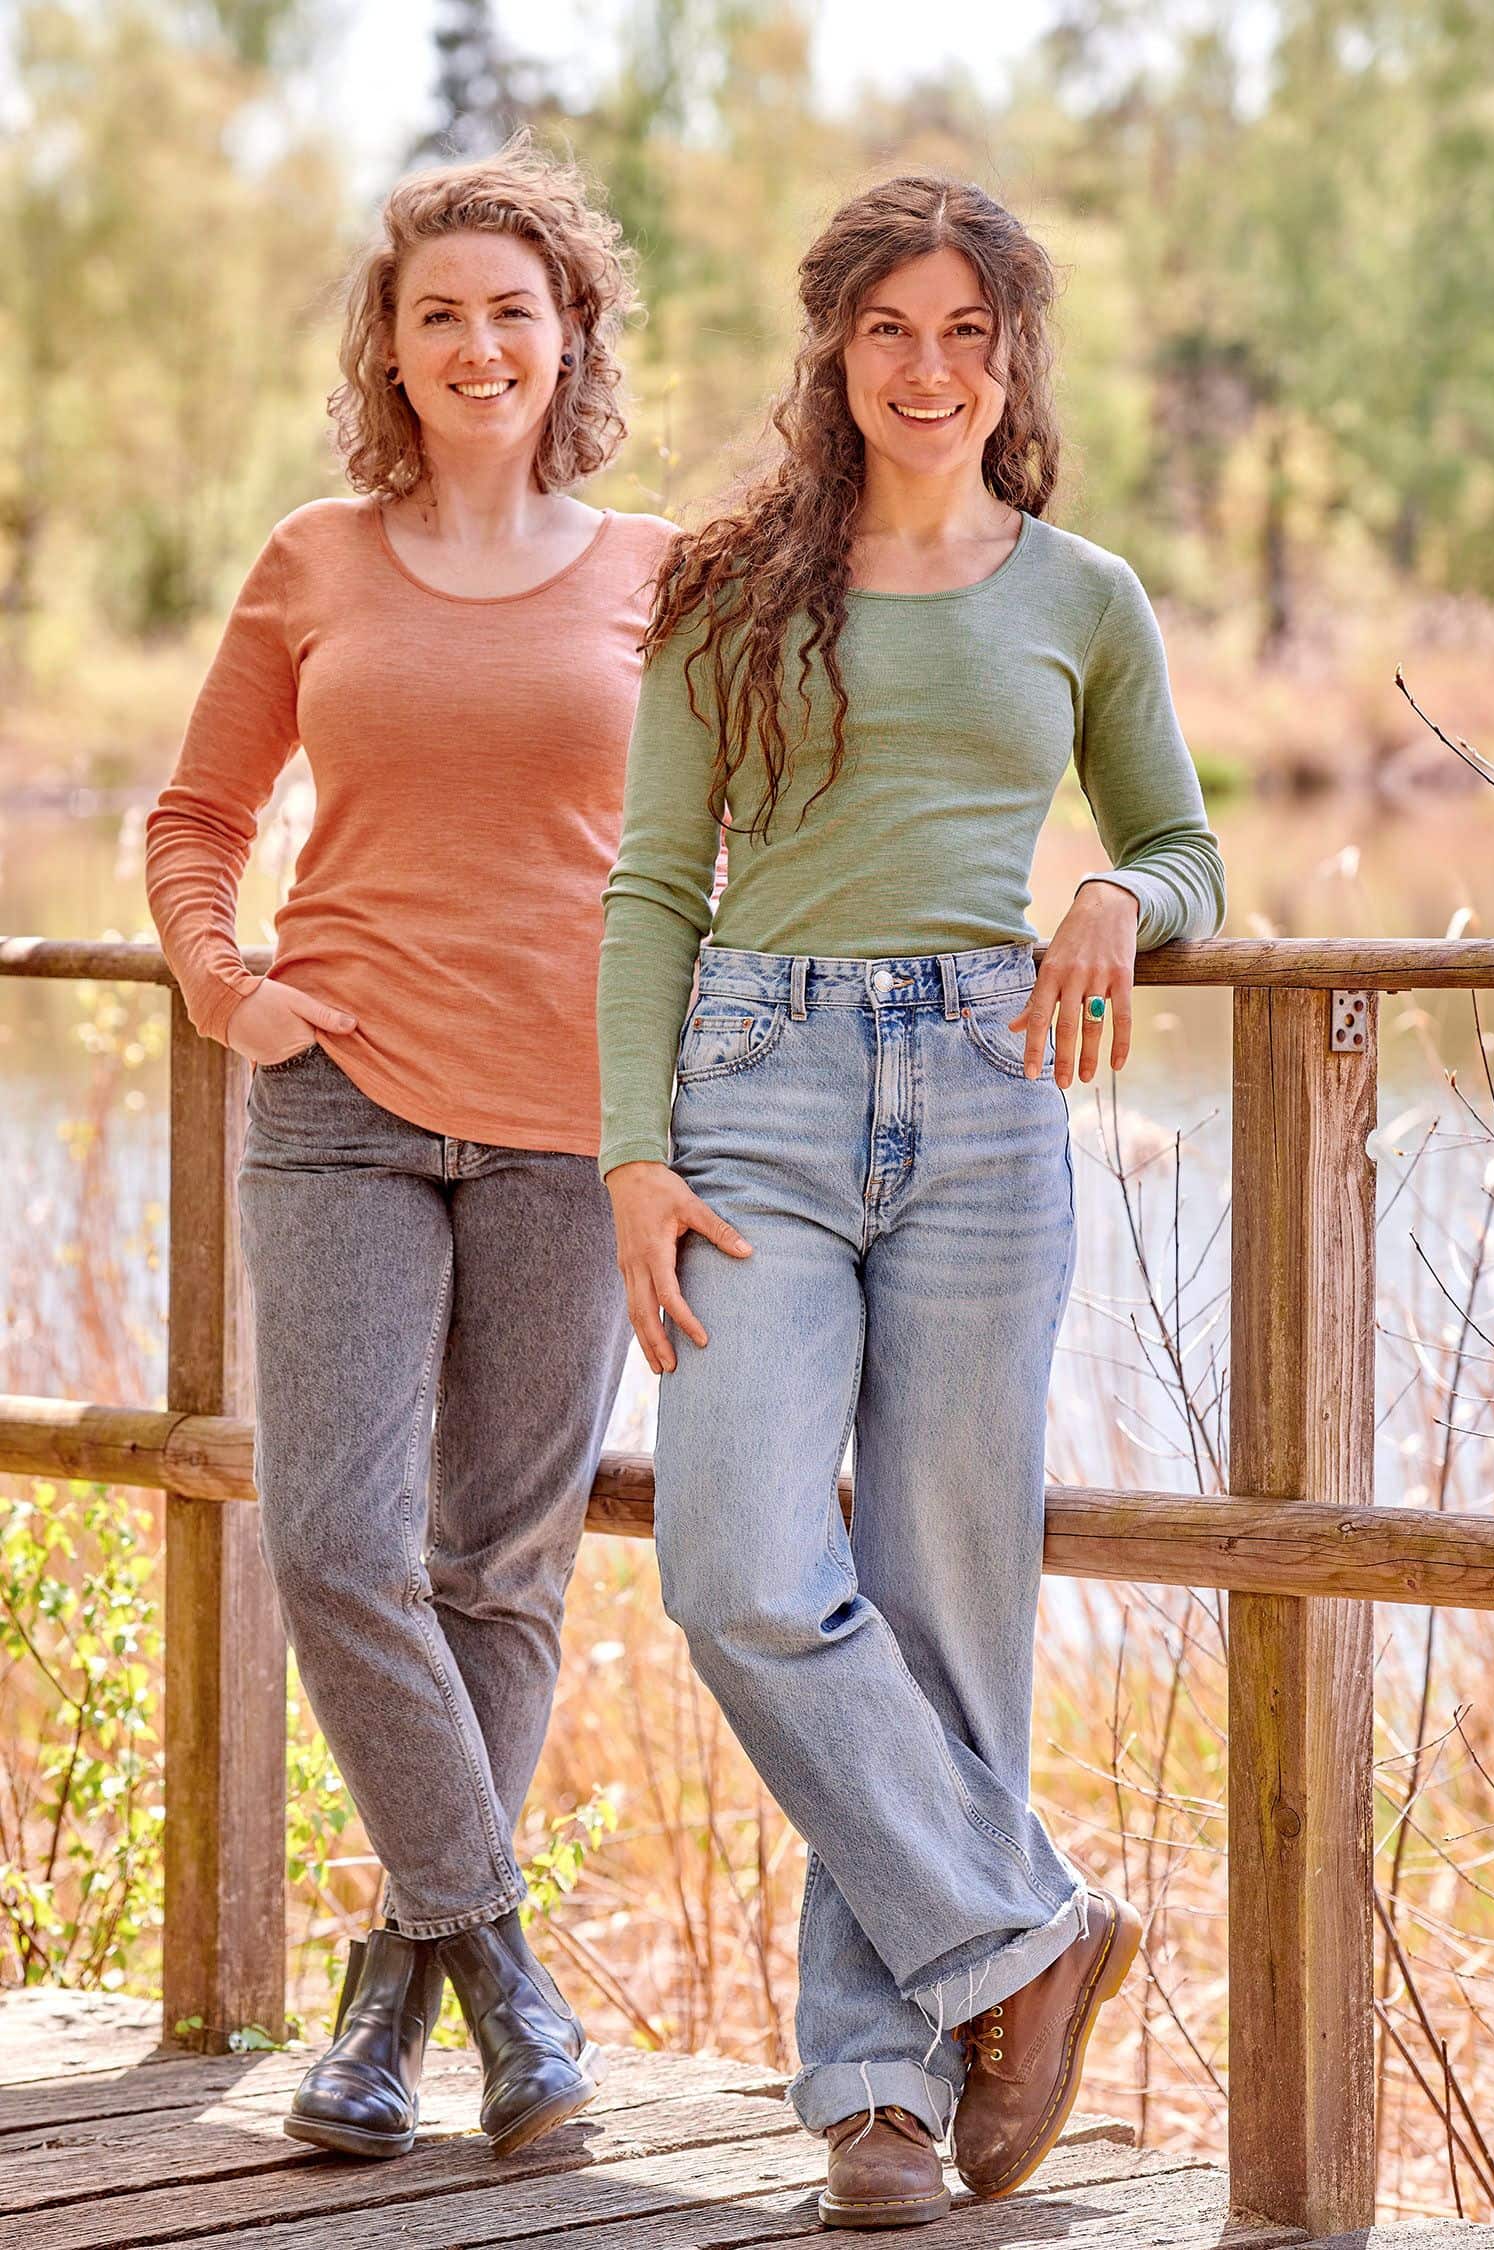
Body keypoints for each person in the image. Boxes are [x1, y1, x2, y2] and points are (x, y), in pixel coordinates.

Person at [597, 173, 1227, 2228]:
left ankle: (879, 2091)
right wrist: (630, 1151)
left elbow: (1186, 847)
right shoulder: (723, 587)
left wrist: (1117, 895)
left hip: (987, 1098)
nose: (929, 367)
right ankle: (1025, 1937)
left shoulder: (1087, 597)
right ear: (835, 349)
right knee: (737, 1570)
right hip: (756, 1098)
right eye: (891, 328)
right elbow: (652, 886)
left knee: (949, 1604)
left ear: (1014, 355)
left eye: (968, 330)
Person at [145, 140, 673, 2161]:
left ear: (571, 337)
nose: (477, 344)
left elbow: (727, 841)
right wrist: (227, 988)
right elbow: (198, 819)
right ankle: (511, 1979)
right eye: (437, 311)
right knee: (335, 1544)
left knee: (502, 1570)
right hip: (342, 1104)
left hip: (571, 1122)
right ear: (389, 341)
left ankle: (391, 2002)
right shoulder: (316, 558)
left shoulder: (661, 575)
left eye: (512, 311)